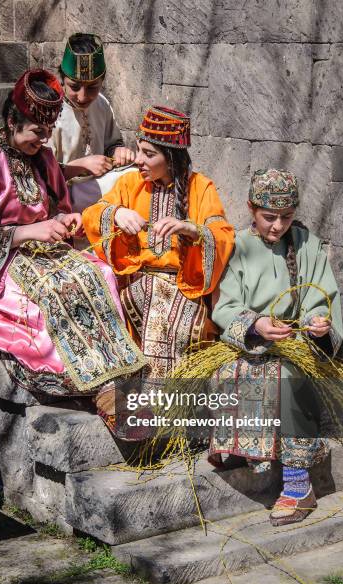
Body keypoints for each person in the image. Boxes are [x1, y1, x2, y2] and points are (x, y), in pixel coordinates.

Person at [0, 69, 146, 397]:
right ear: (11, 121)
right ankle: (79, 378)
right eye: (36, 131)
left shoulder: (45, 159)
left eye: (47, 132)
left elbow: (57, 208)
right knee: (49, 292)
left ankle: (114, 369)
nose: (43, 140)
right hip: (5, 260)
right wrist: (30, 231)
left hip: (47, 250)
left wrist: (66, 221)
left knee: (97, 272)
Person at [82, 105, 235, 435]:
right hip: (136, 281)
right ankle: (134, 405)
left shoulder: (201, 188)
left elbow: (221, 234)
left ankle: (154, 408)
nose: (138, 160)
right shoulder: (130, 184)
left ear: (172, 157)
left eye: (148, 153)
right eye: (139, 149)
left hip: (183, 285)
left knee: (167, 308)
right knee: (138, 299)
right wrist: (116, 214)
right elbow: (93, 215)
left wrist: (191, 231)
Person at [210, 168, 343, 526]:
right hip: (247, 343)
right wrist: (255, 325)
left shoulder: (306, 244)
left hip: (295, 344)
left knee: (285, 376)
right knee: (226, 374)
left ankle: (299, 485)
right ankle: (244, 452)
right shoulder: (237, 246)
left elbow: (321, 296)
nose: (277, 226)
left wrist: (318, 323)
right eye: (269, 217)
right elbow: (224, 305)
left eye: (286, 217)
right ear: (252, 209)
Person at [48, 33, 136, 232]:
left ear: (102, 81)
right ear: (62, 79)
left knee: (136, 176)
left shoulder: (102, 104)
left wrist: (118, 152)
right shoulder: (49, 110)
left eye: (92, 88)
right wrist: (79, 166)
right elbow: (38, 173)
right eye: (74, 86)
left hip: (98, 185)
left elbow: (112, 143)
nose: (82, 96)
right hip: (61, 195)